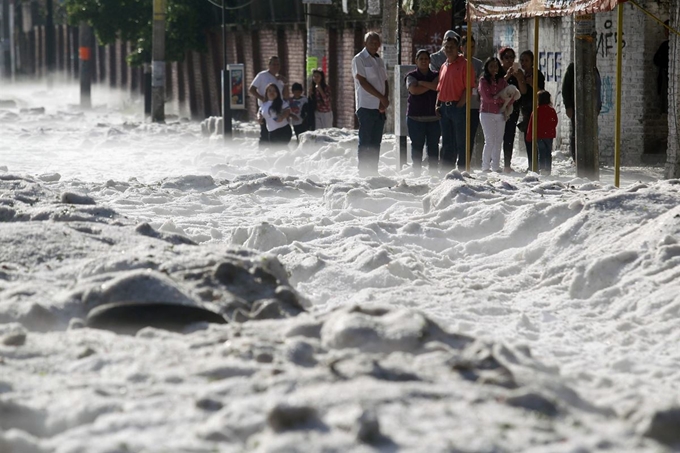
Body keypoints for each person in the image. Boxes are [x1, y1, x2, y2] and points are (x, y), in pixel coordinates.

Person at [352, 31, 389, 175]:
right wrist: (381, 97)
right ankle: (363, 171)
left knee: (376, 141)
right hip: (366, 106)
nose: (375, 45)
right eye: (371, 42)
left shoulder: (379, 60)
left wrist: (384, 99)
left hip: (379, 108)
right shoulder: (359, 59)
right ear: (365, 43)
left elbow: (385, 81)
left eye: (376, 43)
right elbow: (362, 82)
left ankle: (373, 170)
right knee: (366, 140)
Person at [436, 35, 468, 171]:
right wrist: (437, 104)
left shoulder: (464, 64)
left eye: (452, 47)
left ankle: (462, 170)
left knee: (460, 142)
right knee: (447, 142)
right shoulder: (443, 66)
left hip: (457, 107)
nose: (449, 50)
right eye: (446, 47)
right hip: (444, 107)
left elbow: (469, 87)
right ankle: (447, 171)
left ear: (458, 49)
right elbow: (440, 87)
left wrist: (460, 104)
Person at [405, 49, 440, 174]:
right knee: (417, 146)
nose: (424, 61)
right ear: (416, 61)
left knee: (433, 147)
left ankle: (434, 173)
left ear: (429, 60)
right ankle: (416, 172)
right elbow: (414, 90)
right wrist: (430, 86)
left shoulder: (436, 74)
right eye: (421, 59)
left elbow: (438, 87)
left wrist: (422, 83)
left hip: (434, 118)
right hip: (415, 118)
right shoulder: (411, 76)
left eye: (426, 59)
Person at [561, 62, 602, 161]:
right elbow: (565, 88)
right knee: (577, 132)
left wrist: (598, 106)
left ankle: (590, 157)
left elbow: (598, 88)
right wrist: (568, 106)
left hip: (591, 108)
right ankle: (577, 158)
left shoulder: (593, 68)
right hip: (576, 107)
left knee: (590, 133)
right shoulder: (573, 68)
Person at [478, 57, 513, 172]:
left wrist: (506, 103)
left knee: (498, 140)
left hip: (500, 113)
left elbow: (509, 95)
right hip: (487, 113)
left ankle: (496, 166)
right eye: (491, 66)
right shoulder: (483, 81)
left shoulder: (502, 81)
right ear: (487, 68)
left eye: (496, 66)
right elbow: (487, 98)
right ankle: (485, 166)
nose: (494, 69)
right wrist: (501, 100)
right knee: (489, 140)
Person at [249, 56, 287, 149]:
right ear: (269, 65)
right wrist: (262, 98)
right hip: (265, 109)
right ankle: (263, 152)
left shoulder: (279, 79)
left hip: (278, 108)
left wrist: (285, 83)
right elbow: (251, 89)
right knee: (265, 132)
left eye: (278, 64)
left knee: (279, 132)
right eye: (273, 64)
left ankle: (278, 151)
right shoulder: (262, 75)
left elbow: (285, 95)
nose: (275, 66)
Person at [516, 50, 545, 171]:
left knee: (537, 137)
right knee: (528, 137)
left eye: (526, 60)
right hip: (526, 109)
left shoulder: (537, 74)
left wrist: (531, 83)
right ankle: (531, 164)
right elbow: (523, 91)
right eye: (522, 60)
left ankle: (539, 164)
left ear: (532, 62)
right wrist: (520, 79)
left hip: (536, 107)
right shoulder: (522, 74)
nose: (524, 63)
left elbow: (541, 91)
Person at [498, 47, 525, 173]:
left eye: (511, 57)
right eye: (506, 57)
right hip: (497, 109)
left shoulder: (517, 73)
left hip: (513, 108)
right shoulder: (497, 72)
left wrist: (519, 78)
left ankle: (507, 164)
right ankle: (494, 162)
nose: (509, 60)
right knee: (496, 136)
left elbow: (523, 91)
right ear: (501, 59)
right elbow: (496, 88)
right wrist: (507, 75)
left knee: (509, 135)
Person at [460, 35, 483, 167]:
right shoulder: (456, 62)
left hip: (474, 104)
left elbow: (479, 82)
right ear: (462, 48)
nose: (471, 50)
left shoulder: (478, 64)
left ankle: (466, 164)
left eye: (473, 47)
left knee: (470, 136)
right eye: (468, 47)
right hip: (460, 103)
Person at [526, 90, 558, 175]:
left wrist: (529, 136)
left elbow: (531, 124)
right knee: (548, 152)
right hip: (549, 135)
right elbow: (555, 121)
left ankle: (542, 168)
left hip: (539, 135)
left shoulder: (536, 111)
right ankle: (548, 169)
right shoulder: (551, 110)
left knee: (541, 152)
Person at [257, 83, 292, 147]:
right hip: (271, 131)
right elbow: (259, 112)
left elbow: (287, 110)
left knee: (281, 147)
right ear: (266, 93)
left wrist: (282, 116)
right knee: (275, 149)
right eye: (269, 91)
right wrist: (259, 118)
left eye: (274, 91)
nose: (272, 93)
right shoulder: (264, 104)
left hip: (283, 129)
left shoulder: (281, 102)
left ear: (277, 93)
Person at [653, 20, 670, 113]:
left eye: (667, 30)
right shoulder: (665, 45)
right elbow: (655, 60)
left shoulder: (667, 46)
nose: (665, 32)